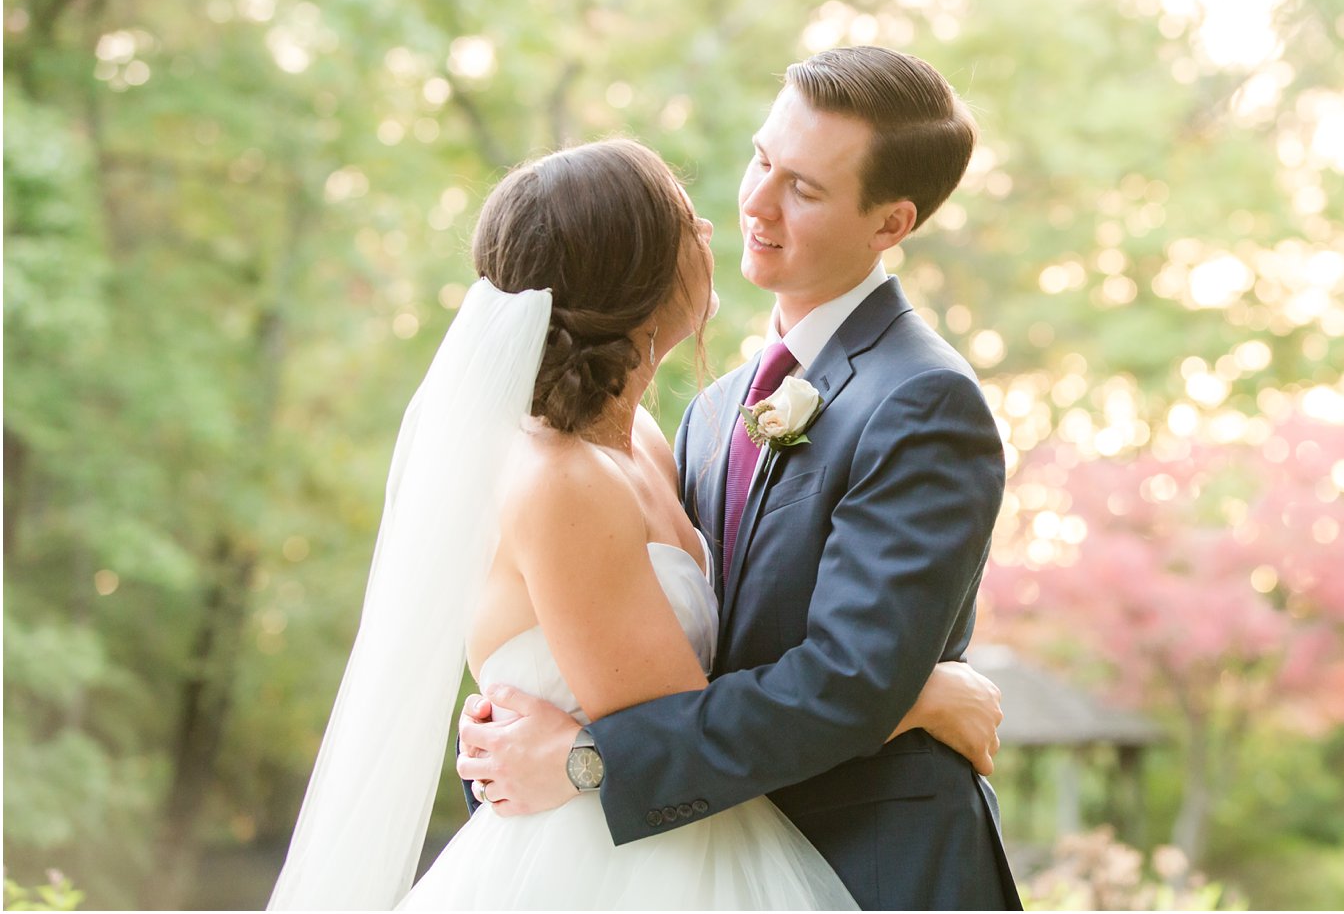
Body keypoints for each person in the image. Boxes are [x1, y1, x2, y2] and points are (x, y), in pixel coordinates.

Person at [268, 137, 993, 910]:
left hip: (691, 839)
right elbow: (680, 723)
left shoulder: (655, 434)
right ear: (633, 264)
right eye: (685, 220)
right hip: (610, 866)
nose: (715, 228)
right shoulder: (558, 476)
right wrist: (914, 697)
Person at [459, 47, 1023, 910]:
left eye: (805, 187)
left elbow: (846, 682)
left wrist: (583, 761)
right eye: (763, 159)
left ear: (890, 223)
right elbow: (646, 651)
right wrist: (519, 737)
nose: (754, 204)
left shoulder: (923, 400)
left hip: (872, 865)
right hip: (686, 859)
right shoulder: (714, 410)